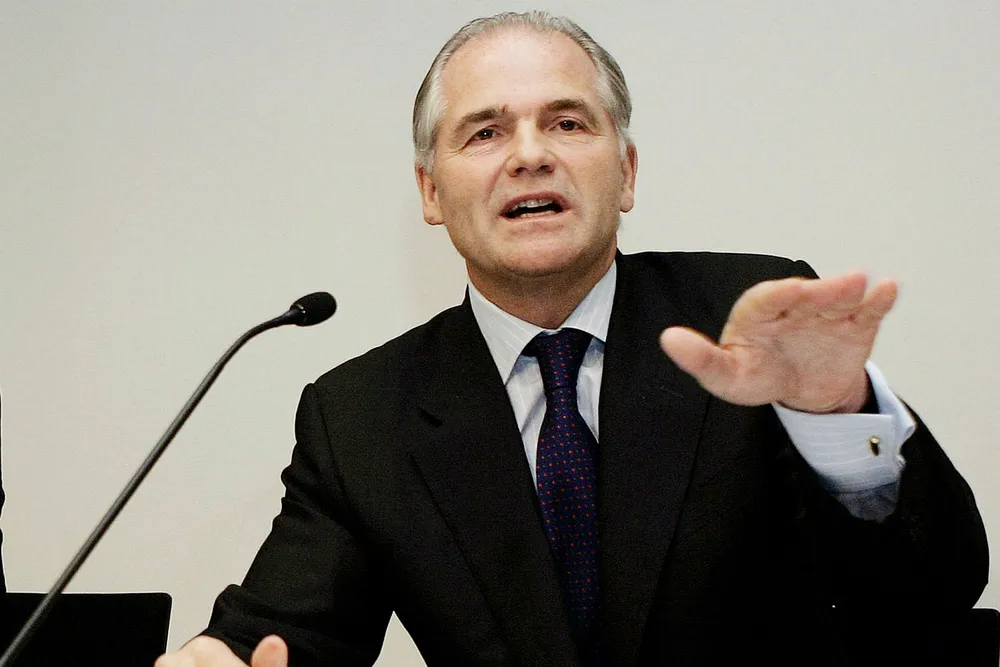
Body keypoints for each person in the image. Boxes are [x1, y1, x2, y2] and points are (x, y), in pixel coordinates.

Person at [156, 11, 987, 667]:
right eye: (485, 132)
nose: (529, 156)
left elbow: (938, 587)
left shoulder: (749, 320)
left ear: (626, 172)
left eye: (566, 123)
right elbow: (284, 630)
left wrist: (841, 414)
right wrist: (222, 655)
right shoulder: (362, 415)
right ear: (431, 192)